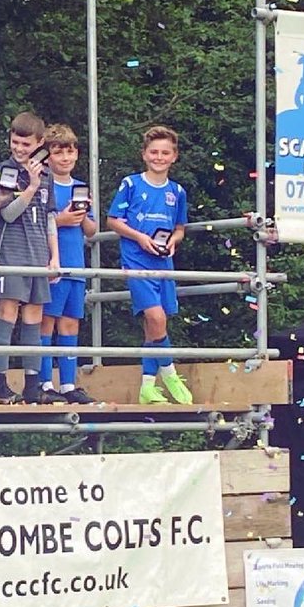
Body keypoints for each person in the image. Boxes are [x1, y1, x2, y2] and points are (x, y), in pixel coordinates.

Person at [106, 125, 194, 405]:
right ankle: (169, 374)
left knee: (154, 325)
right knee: (156, 318)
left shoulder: (177, 191)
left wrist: (173, 242)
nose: (159, 157)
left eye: (165, 152)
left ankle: (147, 386)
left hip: (163, 261)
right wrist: (140, 238)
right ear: (144, 154)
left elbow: (180, 227)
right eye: (154, 152)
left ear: (174, 157)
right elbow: (113, 220)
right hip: (136, 259)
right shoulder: (131, 184)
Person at [0, 111, 59, 405]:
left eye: (26, 144)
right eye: (15, 142)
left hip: (38, 254)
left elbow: (50, 218)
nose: (19, 149)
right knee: (7, 315)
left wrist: (55, 256)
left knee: (34, 318)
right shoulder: (3, 171)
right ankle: (0, 384)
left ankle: (33, 384)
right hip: (11, 254)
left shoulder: (49, 176)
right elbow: (6, 213)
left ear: (40, 144)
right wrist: (29, 187)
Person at [37, 124, 97, 405]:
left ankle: (69, 383)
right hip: (52, 264)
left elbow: (92, 230)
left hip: (76, 264)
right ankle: (44, 381)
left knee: (71, 324)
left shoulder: (80, 187)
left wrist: (82, 215)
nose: (65, 158)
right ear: (47, 155)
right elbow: (37, 222)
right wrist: (59, 220)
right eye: (58, 152)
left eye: (70, 151)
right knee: (46, 323)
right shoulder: (43, 184)